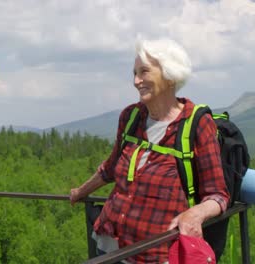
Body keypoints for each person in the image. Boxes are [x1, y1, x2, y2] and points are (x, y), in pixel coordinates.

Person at [70, 38, 229, 263]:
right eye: (134, 73)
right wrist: (80, 192)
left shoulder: (196, 124)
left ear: (170, 74)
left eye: (144, 72)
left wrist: (195, 214)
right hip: (110, 245)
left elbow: (218, 196)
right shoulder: (131, 116)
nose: (136, 81)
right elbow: (111, 168)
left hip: (157, 252)